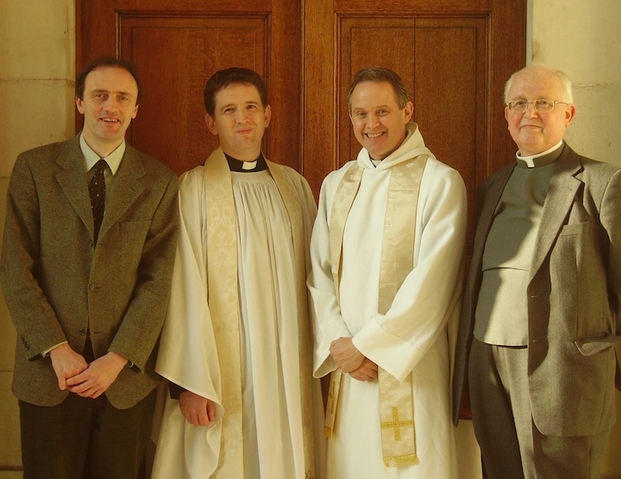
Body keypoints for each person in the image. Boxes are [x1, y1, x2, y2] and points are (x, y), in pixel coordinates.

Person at [452, 64, 621, 479]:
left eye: (543, 102)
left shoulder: (604, 183)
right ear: (506, 114)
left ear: (568, 113)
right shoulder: (492, 185)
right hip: (487, 364)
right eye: (519, 103)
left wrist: (583, 341)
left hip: (562, 371)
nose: (529, 113)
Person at [0, 56, 179, 479]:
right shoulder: (35, 168)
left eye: (122, 98)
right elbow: (15, 267)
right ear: (80, 102)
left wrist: (118, 357)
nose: (110, 107)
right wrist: (55, 348)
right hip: (50, 375)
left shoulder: (158, 181)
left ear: (136, 109)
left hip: (124, 379)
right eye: (100, 95)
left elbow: (160, 279)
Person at [151, 67, 324, 479]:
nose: (242, 119)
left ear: (268, 113)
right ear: (211, 122)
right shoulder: (191, 190)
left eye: (250, 107)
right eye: (229, 110)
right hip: (216, 375)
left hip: (287, 364)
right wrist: (188, 383)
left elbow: (320, 277)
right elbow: (179, 290)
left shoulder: (295, 187)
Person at [308, 67, 468, 478]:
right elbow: (319, 274)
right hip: (349, 368)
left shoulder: (440, 182)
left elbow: (435, 282)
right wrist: (339, 343)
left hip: (408, 368)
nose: (371, 124)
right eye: (361, 114)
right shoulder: (337, 183)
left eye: (382, 111)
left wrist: (370, 347)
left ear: (407, 111)